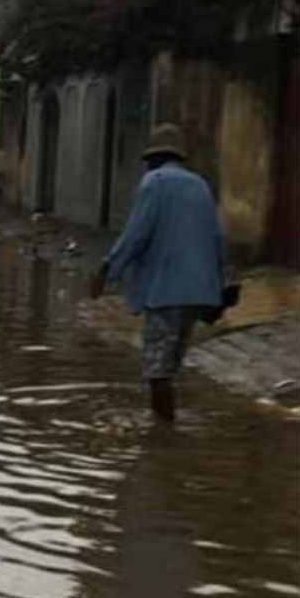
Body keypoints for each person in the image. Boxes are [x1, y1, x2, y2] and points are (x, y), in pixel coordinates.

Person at [91, 123, 229, 422]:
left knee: (156, 372)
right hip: (197, 292)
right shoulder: (200, 184)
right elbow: (217, 238)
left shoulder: (155, 182)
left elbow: (136, 234)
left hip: (166, 292)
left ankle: (162, 434)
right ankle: (168, 429)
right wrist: (220, 285)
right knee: (169, 367)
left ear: (153, 158)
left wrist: (108, 268)